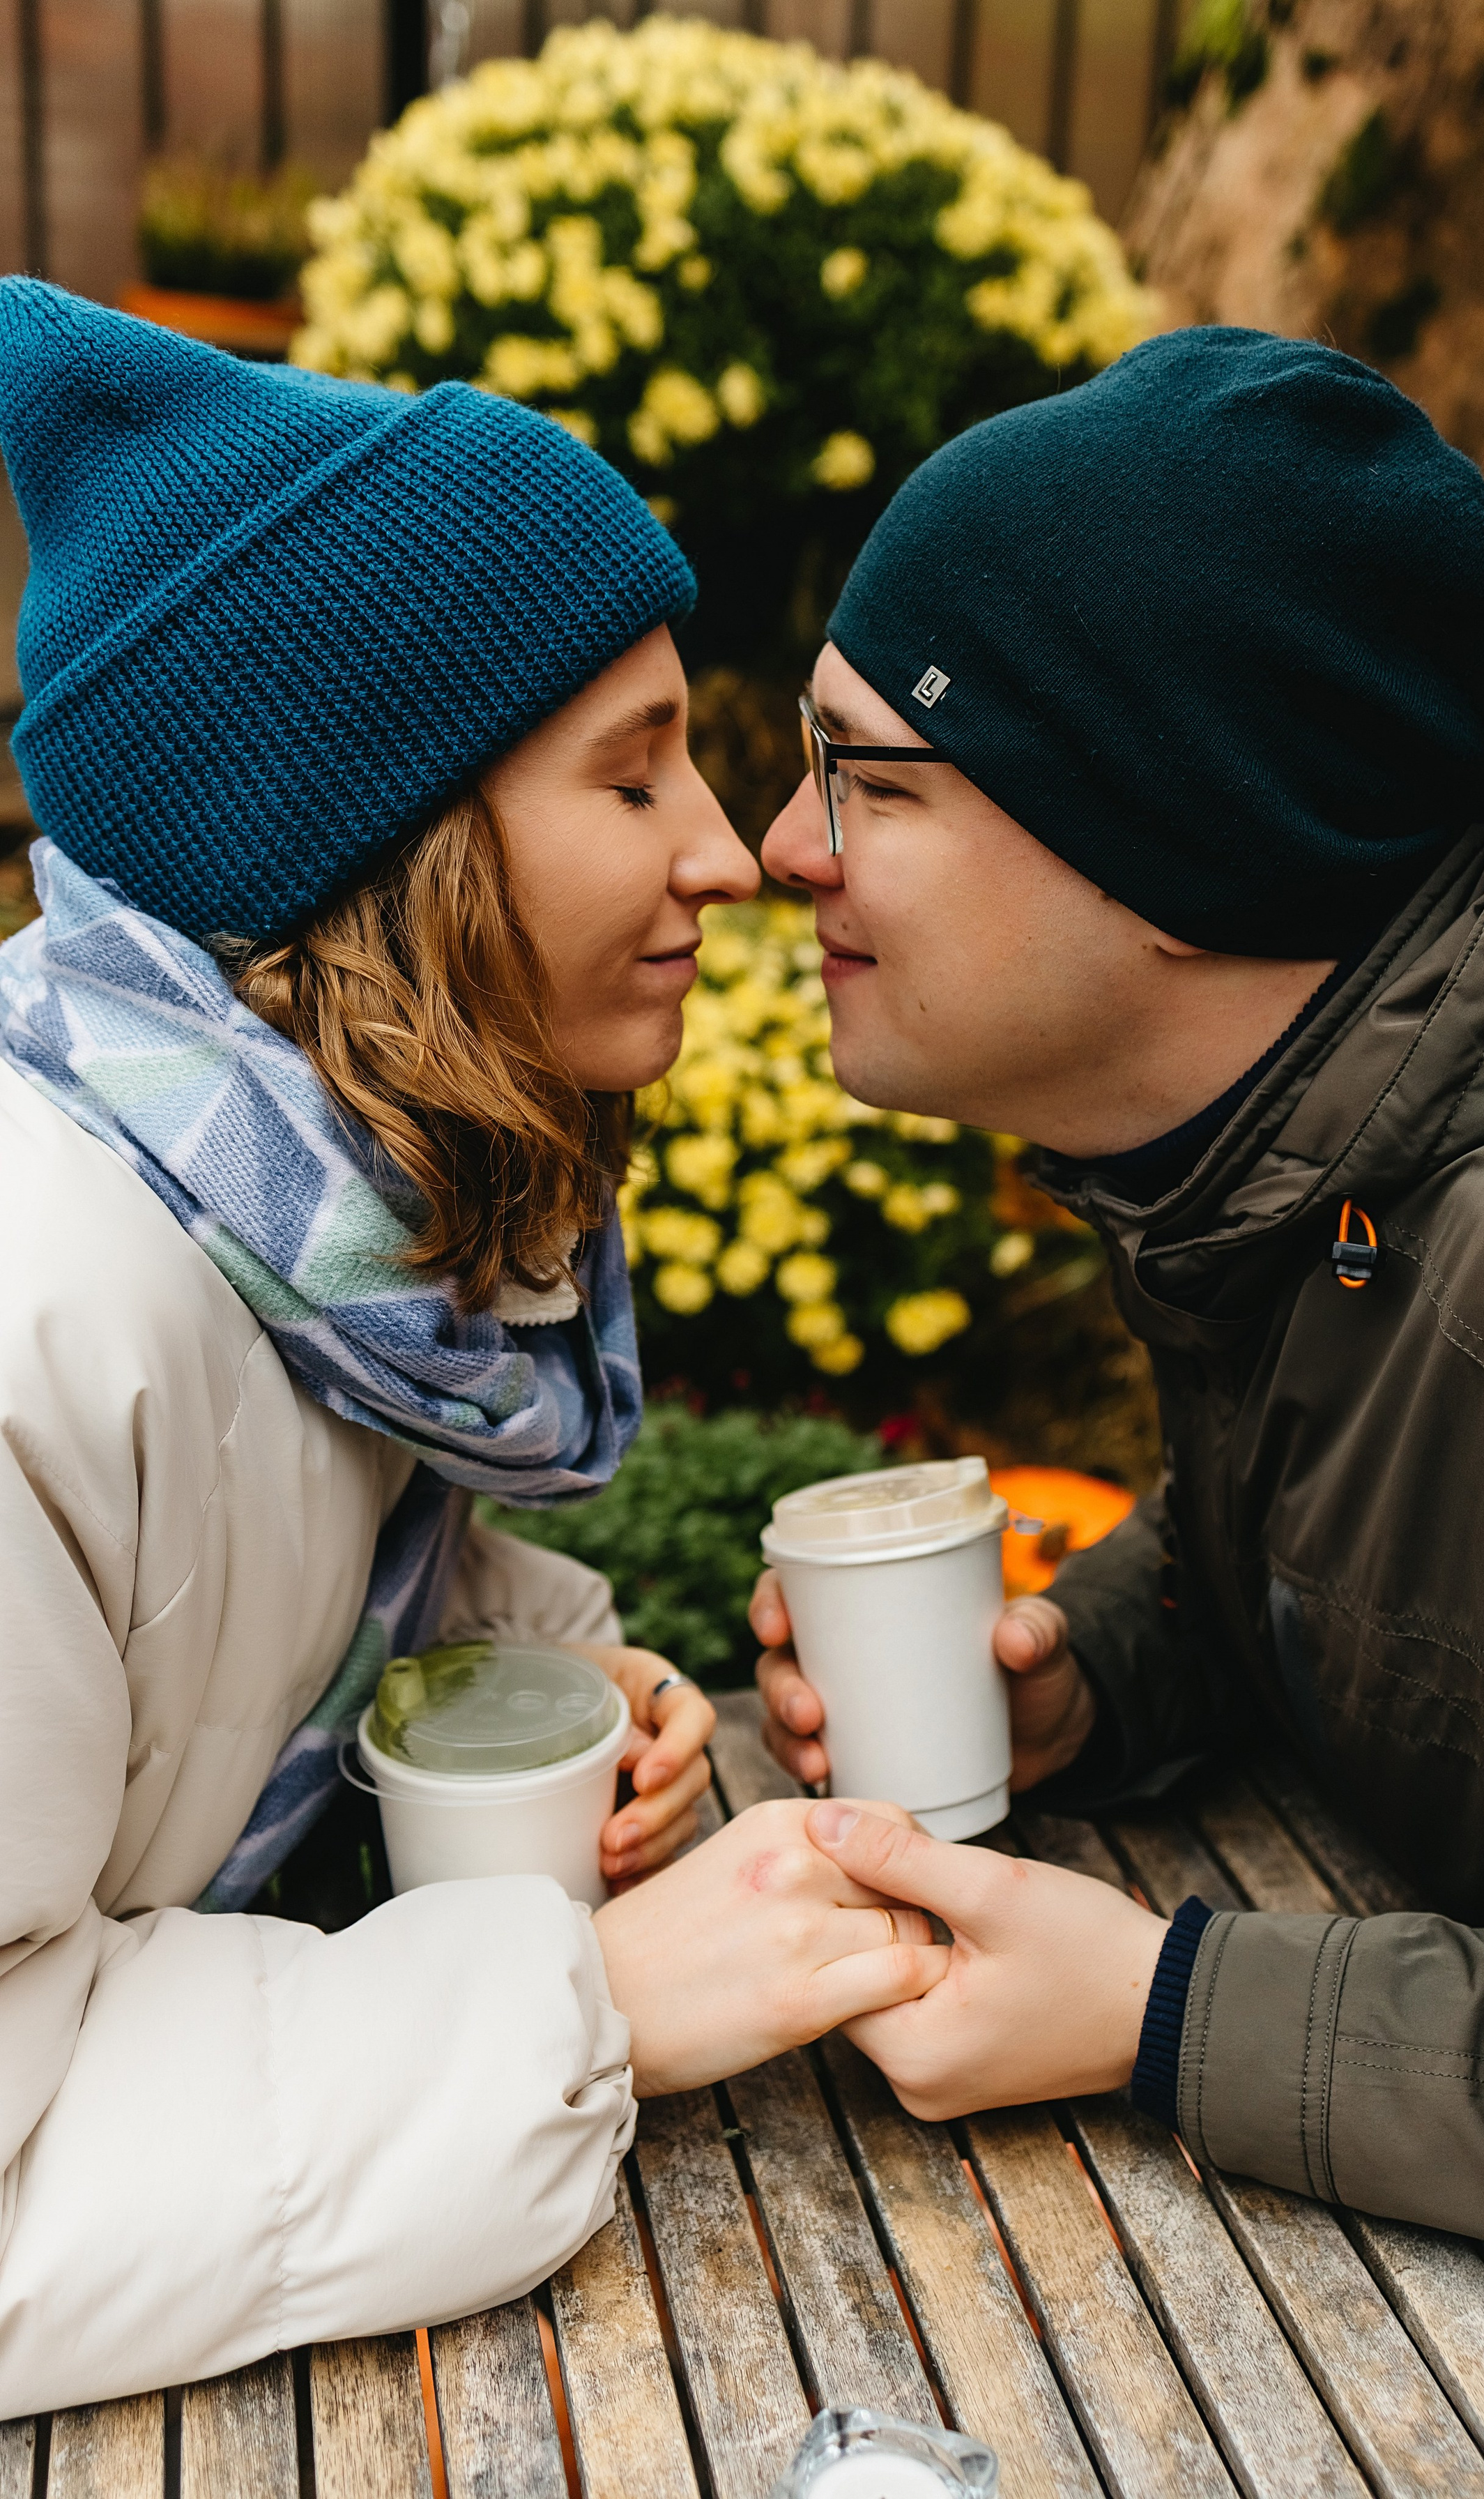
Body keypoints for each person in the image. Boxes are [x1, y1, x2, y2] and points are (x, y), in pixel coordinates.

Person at [752, 323, 1484, 2284]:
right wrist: (1104, 1671)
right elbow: (1461, 1529)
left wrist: (1163, 2012)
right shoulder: (1326, 1095)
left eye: (865, 777)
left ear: (1171, 848)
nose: (773, 849)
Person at [0, 280, 944, 2417]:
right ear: (384, 856)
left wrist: (532, 1696)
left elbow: (258, 1599)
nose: (728, 851)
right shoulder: (32, 1326)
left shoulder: (312, 1235)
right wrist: (582, 2002)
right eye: (633, 778)